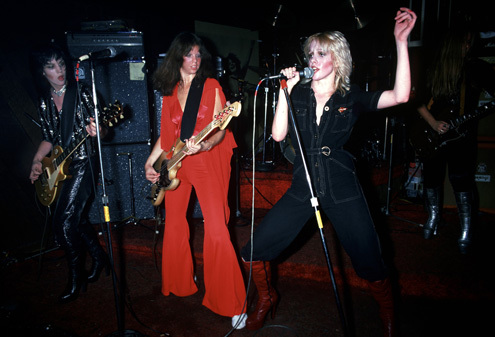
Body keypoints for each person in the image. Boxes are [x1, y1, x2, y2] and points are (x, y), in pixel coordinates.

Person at [240, 8, 417, 336]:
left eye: (322, 52)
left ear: (338, 58)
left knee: (370, 257)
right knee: (253, 250)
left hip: (340, 183)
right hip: (302, 186)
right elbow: (279, 135)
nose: (314, 58)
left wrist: (400, 42)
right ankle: (266, 298)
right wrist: (285, 91)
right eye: (310, 53)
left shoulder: (351, 97)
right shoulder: (299, 94)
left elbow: (401, 95)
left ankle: (388, 312)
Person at [144, 32, 247, 329]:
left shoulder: (211, 86)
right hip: (176, 164)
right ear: (176, 58)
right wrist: (151, 162)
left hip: (206, 160)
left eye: (198, 54)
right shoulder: (169, 91)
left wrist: (204, 145)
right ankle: (179, 281)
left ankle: (232, 301)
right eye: (189, 54)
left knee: (216, 228)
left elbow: (220, 129)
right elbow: (166, 138)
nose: (195, 60)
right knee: (174, 222)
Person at [29, 43, 109, 303]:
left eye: (61, 64)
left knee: (62, 224)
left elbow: (102, 129)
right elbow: (48, 138)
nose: (59, 70)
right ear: (43, 72)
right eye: (51, 66)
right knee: (75, 219)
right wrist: (38, 161)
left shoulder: (82, 93)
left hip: (85, 162)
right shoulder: (44, 102)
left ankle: (77, 277)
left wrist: (99, 130)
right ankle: (99, 259)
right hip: (62, 166)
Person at [416, 23, 495, 254]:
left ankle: (466, 229)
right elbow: (416, 101)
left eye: (469, 42)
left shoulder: (477, 68)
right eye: (464, 42)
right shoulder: (434, 68)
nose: (467, 46)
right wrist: (433, 123)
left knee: (462, 180)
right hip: (433, 133)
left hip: (462, 135)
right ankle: (432, 219)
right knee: (432, 178)